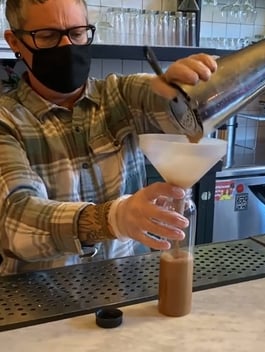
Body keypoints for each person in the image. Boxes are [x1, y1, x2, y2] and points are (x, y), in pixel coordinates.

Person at [0, 0, 217, 275]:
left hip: (125, 287)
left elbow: (160, 102)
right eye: (48, 36)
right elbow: (16, 222)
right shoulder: (7, 121)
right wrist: (113, 219)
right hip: (41, 301)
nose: (67, 46)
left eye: (77, 33)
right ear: (15, 42)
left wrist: (177, 93)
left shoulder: (118, 95)